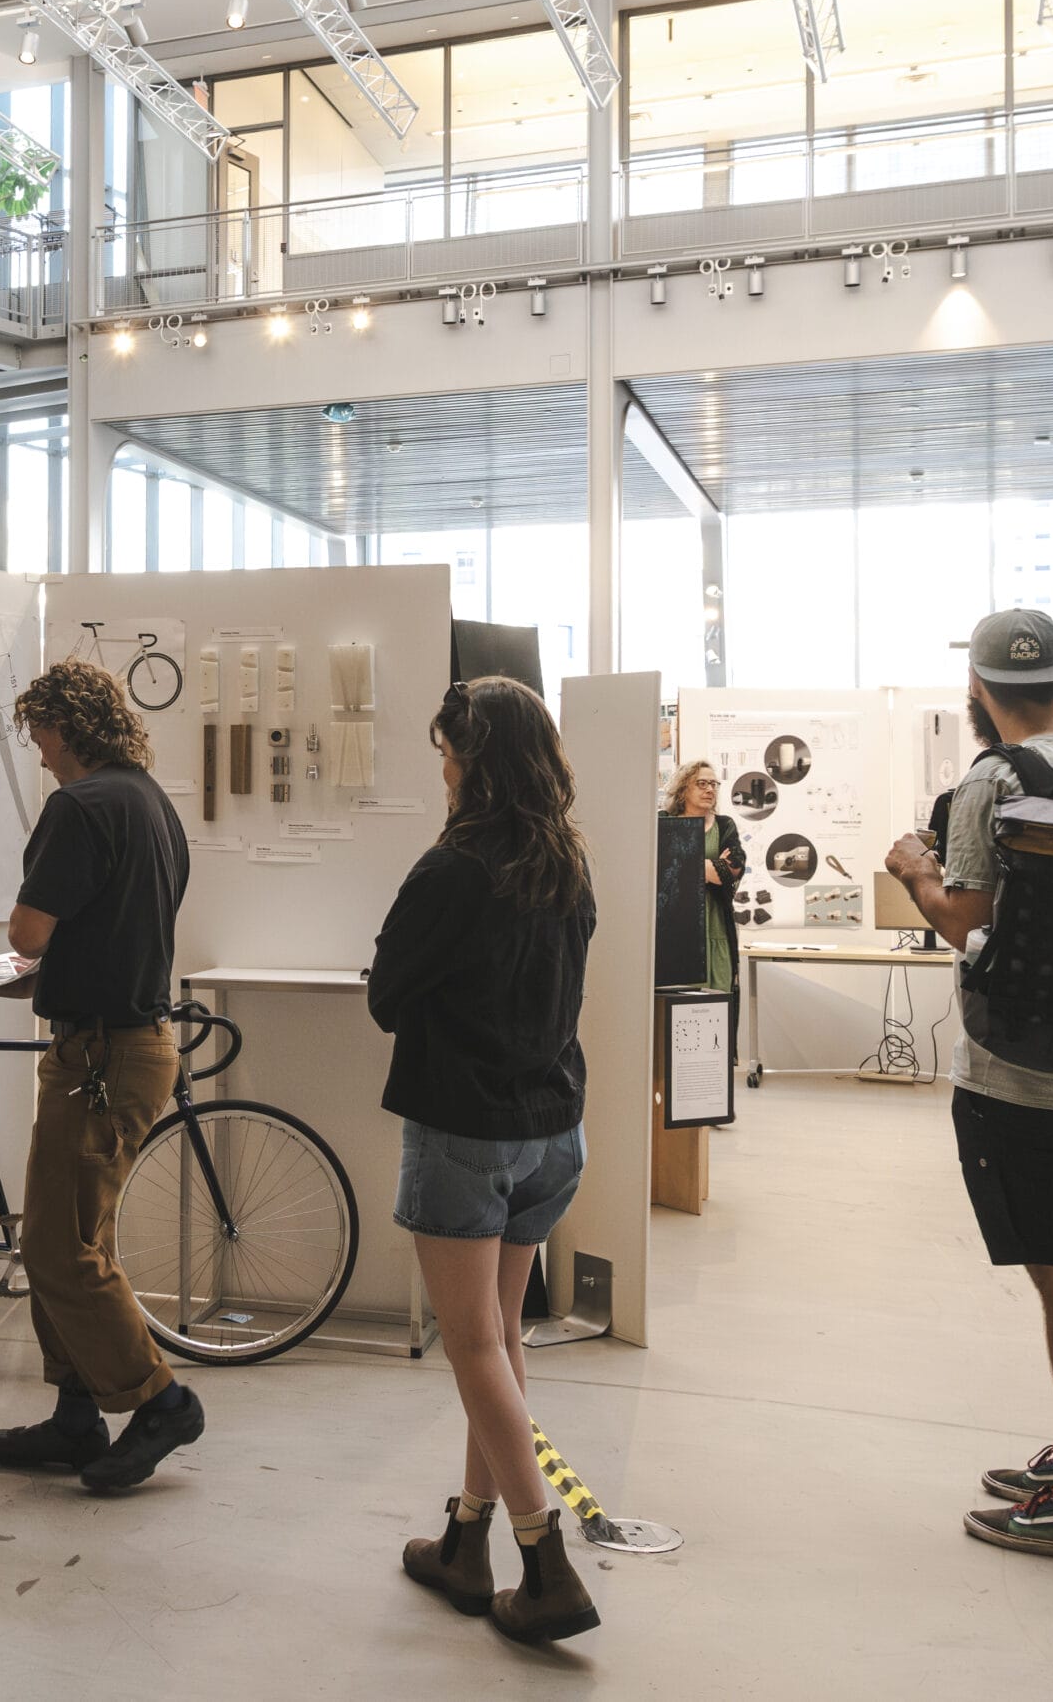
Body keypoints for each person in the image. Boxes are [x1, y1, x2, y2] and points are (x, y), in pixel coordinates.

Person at [884, 609, 1053, 1568]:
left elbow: (966, 920)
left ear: (977, 687)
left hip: (1022, 1068)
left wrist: (917, 867)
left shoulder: (990, 781)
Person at [373, 679, 600, 1644]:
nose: (442, 768)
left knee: (473, 1346)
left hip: (465, 1127)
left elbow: (387, 993)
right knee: (498, 1343)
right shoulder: (565, 861)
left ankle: (544, 1564)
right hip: (552, 1127)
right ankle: (467, 1544)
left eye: (448, 753)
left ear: (476, 761)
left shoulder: (453, 866)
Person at [0, 660, 198, 1493]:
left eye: (39, 732)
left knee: (58, 1245)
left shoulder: (79, 806)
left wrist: (10, 959)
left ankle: (159, 1399)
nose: (37, 752)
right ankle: (74, 1414)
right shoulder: (152, 804)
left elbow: (29, 930)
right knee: (73, 1237)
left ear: (66, 726)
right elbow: (106, 932)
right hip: (133, 1044)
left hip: (100, 1054)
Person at [664, 759, 745, 1058]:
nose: (710, 789)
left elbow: (731, 871)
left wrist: (683, 862)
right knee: (680, 1010)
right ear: (683, 787)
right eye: (702, 783)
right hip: (678, 932)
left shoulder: (725, 826)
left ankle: (715, 1087)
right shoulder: (664, 821)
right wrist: (709, 865)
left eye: (714, 784)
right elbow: (660, 870)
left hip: (717, 931)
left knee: (717, 1009)